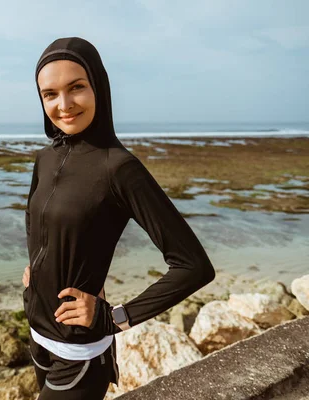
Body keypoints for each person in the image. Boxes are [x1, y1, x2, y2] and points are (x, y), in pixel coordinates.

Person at [21, 37, 215, 399]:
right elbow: (35, 217)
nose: (63, 105)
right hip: (38, 335)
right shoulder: (45, 158)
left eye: (76, 87)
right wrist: (35, 265)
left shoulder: (119, 168)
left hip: (80, 354)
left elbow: (193, 265)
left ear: (98, 86)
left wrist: (116, 317)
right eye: (50, 94)